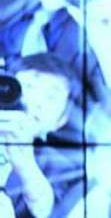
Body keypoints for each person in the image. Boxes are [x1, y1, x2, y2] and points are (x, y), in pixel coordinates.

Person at [0, 53, 82, 218]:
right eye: (29, 86)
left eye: (51, 97)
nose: (35, 101)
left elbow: (48, 210)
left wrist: (25, 164)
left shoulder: (62, 168)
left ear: (61, 120)